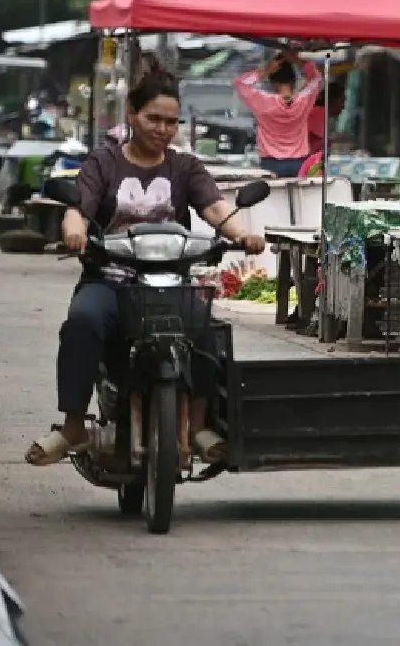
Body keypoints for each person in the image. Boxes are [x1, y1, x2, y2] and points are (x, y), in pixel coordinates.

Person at [25, 57, 266, 467]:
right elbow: (78, 207)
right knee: (82, 322)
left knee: (206, 328)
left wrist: (242, 233)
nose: (162, 129)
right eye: (154, 119)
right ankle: (73, 426)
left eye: (171, 122)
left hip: (171, 282)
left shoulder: (185, 166)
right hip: (109, 281)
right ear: (132, 115)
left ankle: (199, 425)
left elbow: (215, 207)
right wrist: (75, 230)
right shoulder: (104, 162)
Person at [235, 49, 322, 177]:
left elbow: (240, 83)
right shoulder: (304, 100)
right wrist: (297, 60)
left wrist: (265, 70)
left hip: (270, 164)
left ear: (272, 81)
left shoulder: (263, 102)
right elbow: (316, 78)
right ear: (293, 80)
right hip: (299, 163)